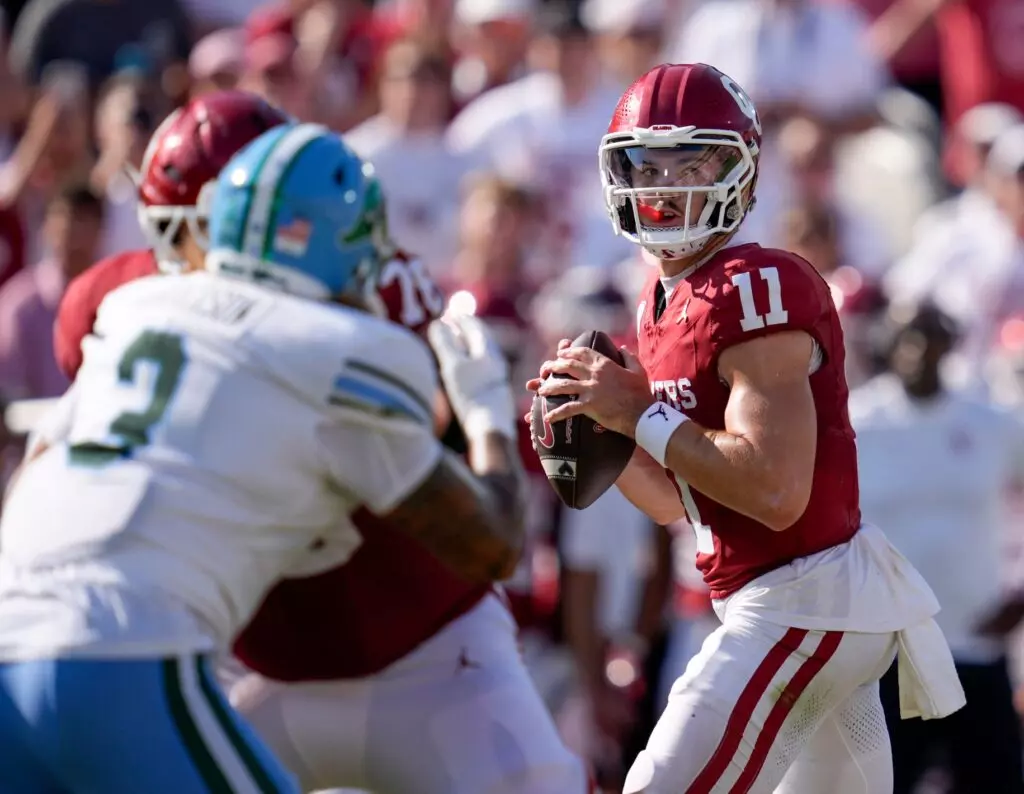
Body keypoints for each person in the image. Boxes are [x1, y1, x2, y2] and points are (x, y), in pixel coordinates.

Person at [54, 95, 589, 794]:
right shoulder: (119, 301)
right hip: (257, 665)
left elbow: (481, 526)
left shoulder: (370, 305)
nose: (196, 266)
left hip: (427, 648)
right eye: (176, 240)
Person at [527, 62, 964, 793]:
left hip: (800, 602)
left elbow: (772, 489)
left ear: (743, 172)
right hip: (799, 606)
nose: (666, 185)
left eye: (691, 162)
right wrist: (606, 431)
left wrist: (638, 411)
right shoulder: (662, 304)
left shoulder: (757, 284)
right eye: (646, 164)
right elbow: (683, 502)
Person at [852, 303, 1024, 793]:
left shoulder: (990, 423)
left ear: (951, 344)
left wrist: (1021, 596)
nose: (919, 349)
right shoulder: (859, 420)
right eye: (908, 336)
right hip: (888, 654)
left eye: (931, 336)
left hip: (975, 643)